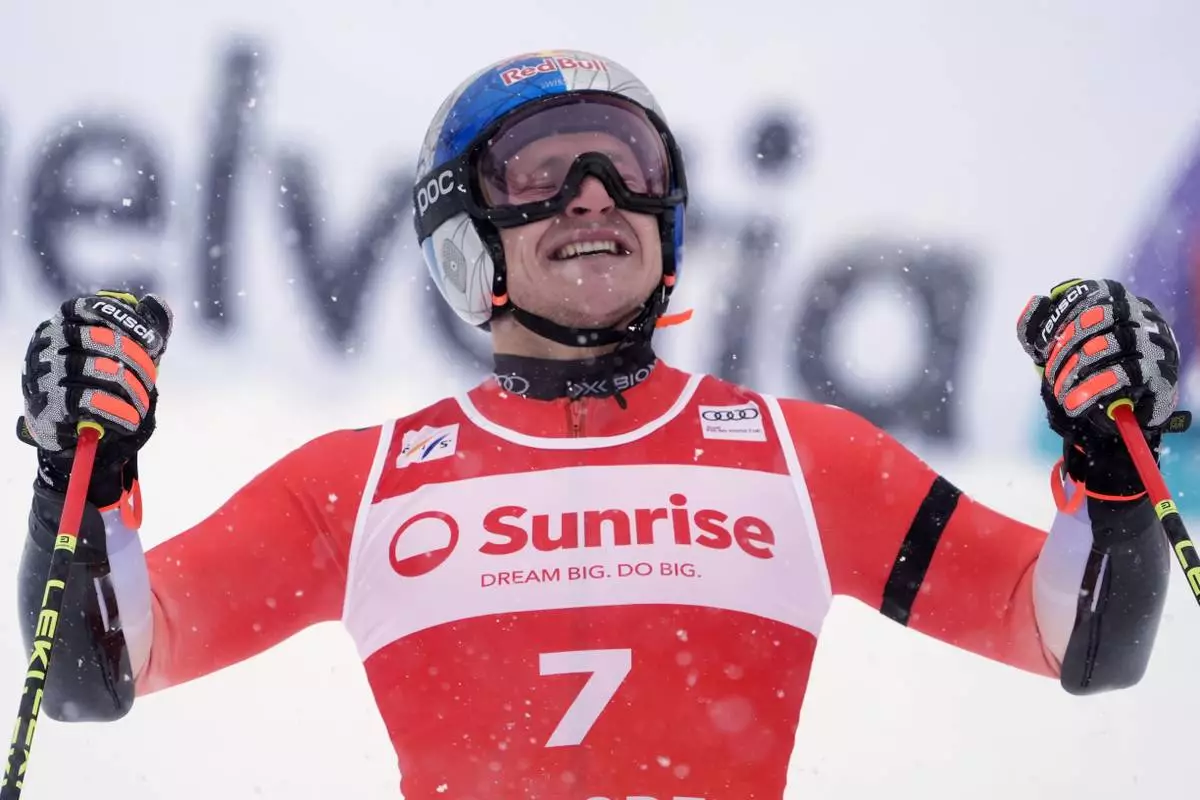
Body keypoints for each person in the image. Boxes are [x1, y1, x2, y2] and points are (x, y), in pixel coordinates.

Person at [14, 49, 1185, 799]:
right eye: (538, 169)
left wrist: (1107, 456)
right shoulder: (358, 485)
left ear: (669, 217)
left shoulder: (802, 457)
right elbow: (93, 674)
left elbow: (1076, 641)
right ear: (466, 234)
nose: (591, 193)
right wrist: (87, 463)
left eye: (626, 162)